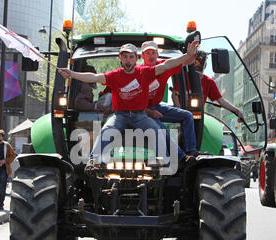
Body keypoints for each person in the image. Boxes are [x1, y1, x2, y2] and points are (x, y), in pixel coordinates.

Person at [58, 40, 199, 169]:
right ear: (120, 58)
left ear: (137, 59)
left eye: (131, 57)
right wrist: (71, 74)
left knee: (157, 131)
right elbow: (94, 77)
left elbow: (167, 64)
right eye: (125, 57)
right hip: (121, 116)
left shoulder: (145, 72)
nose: (128, 60)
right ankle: (93, 161)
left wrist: (187, 54)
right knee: (106, 130)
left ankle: (163, 159)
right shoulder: (115, 76)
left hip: (140, 115)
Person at [140, 40, 200, 157]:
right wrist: (150, 112)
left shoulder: (164, 66)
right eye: (147, 53)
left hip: (156, 106)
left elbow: (188, 61)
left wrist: (193, 53)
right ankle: (182, 157)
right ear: (142, 56)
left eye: (153, 53)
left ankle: (191, 150)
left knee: (187, 115)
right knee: (160, 128)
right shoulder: (138, 72)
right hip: (140, 111)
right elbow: (130, 104)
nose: (151, 56)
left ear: (157, 54)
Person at [172, 50, 244, 122]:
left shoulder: (209, 82)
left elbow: (221, 101)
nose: (199, 64)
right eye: (197, 61)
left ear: (205, 65)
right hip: (179, 118)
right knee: (168, 130)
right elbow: (174, 94)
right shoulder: (185, 77)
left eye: (202, 62)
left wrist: (237, 111)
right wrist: (180, 111)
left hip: (196, 119)